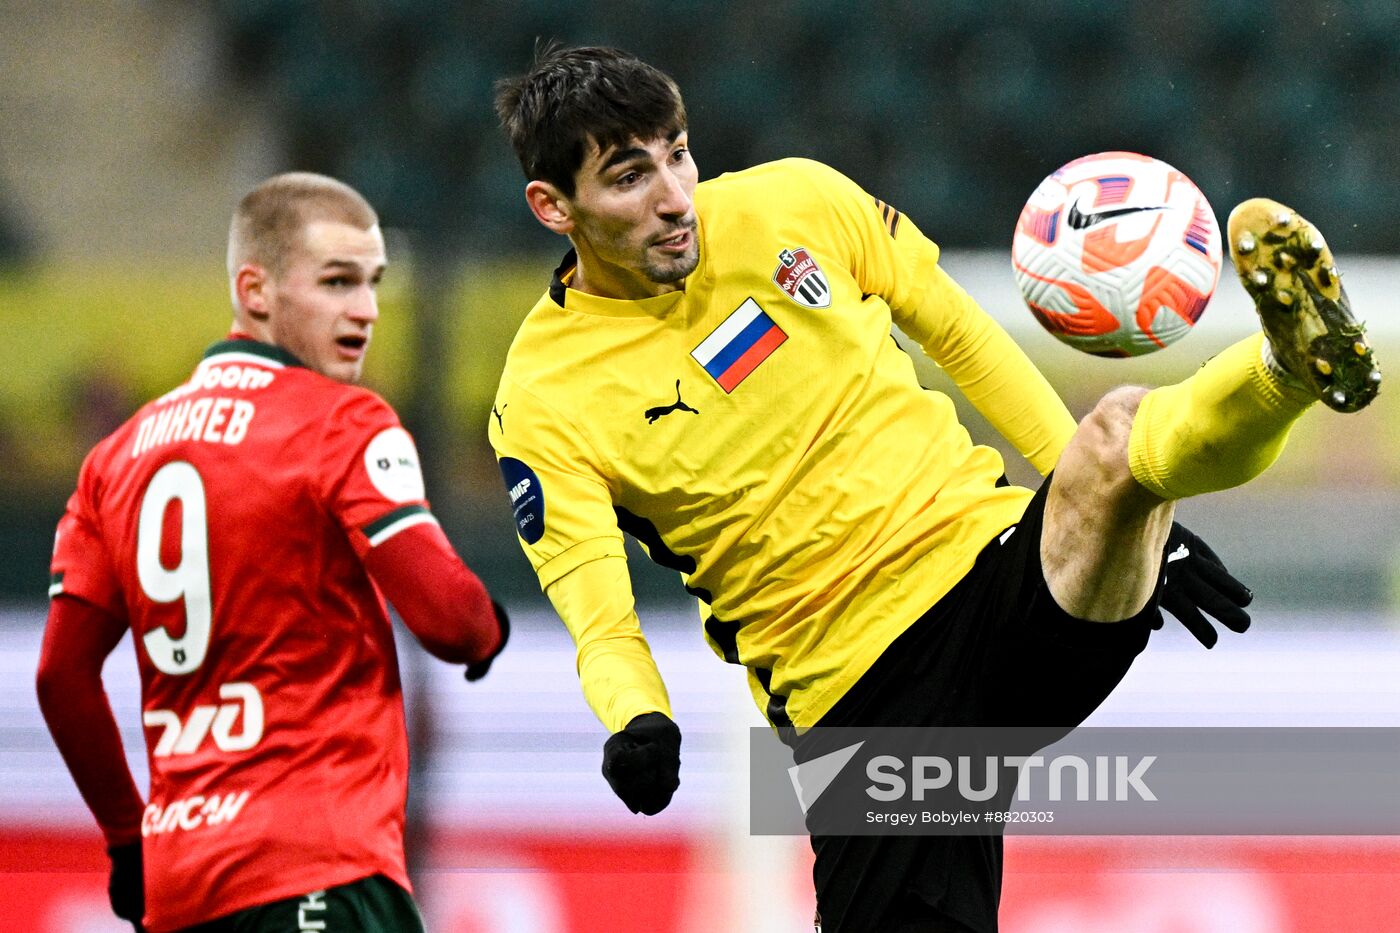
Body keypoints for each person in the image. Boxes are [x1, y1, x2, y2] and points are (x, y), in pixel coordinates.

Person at [488, 45, 1378, 933]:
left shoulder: (796, 200)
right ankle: (1238, 407)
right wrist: (636, 716)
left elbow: (964, 337)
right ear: (553, 206)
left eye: (678, 153)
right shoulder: (542, 400)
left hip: (994, 578)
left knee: (1111, 438)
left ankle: (1284, 372)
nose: (675, 196)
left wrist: (1127, 509)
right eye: (629, 176)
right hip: (857, 699)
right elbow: (599, 615)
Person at [36, 172, 509, 933]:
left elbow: (62, 677)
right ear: (254, 290)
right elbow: (449, 620)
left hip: (182, 885)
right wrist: (490, 628)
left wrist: (129, 841)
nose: (366, 309)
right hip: (321, 866)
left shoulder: (116, 456)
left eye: (373, 283)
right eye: (336, 281)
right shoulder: (341, 422)